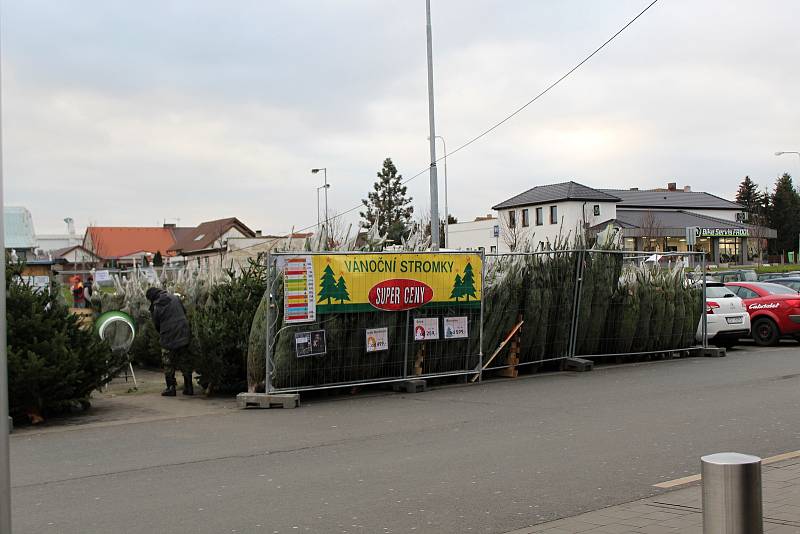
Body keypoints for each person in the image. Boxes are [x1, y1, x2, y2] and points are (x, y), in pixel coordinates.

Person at [145, 287, 194, 396]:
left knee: (168, 362)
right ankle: (189, 387)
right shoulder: (175, 298)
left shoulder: (156, 305)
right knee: (185, 359)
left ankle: (171, 387)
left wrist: (162, 332)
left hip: (168, 335)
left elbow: (156, 324)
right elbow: (184, 312)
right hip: (183, 331)